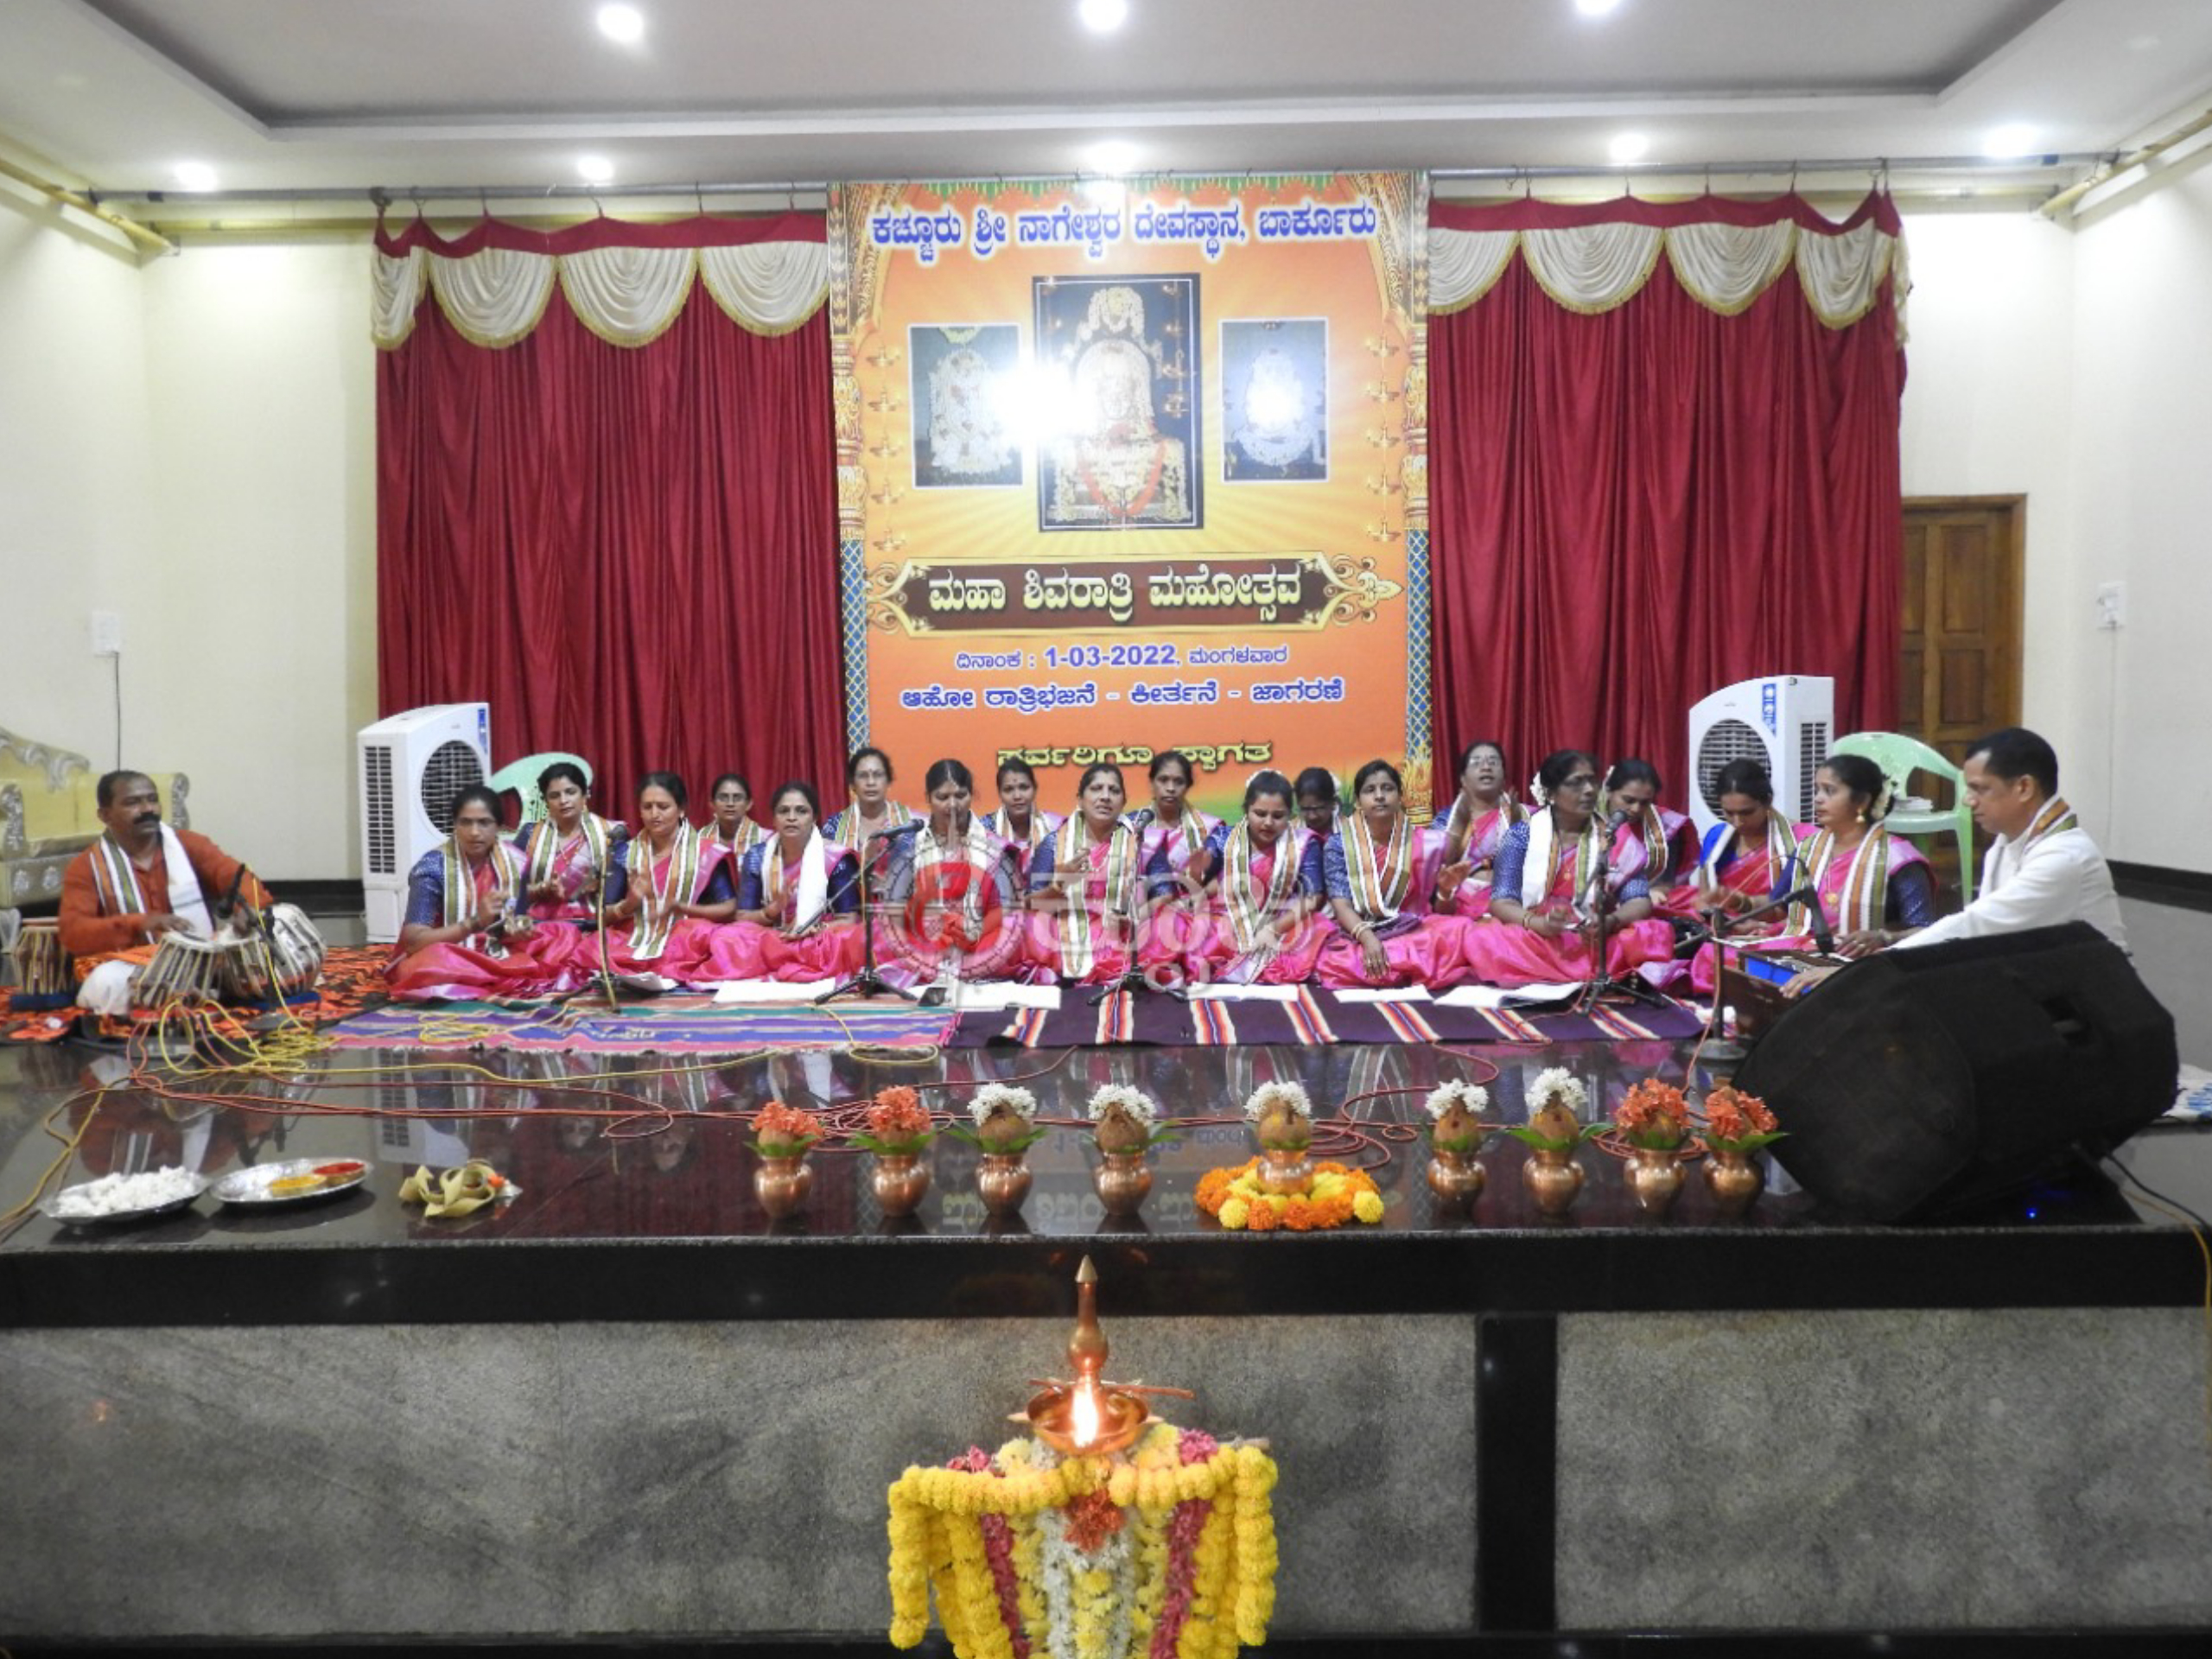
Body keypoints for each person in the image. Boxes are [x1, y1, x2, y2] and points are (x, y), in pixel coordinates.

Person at [60, 769, 276, 1011]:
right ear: (105, 815)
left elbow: (236, 876)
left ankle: (193, 992)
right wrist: (139, 923)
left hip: (204, 954)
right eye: (132, 803)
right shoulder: (87, 866)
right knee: (104, 984)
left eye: (152, 799)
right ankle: (187, 998)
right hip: (136, 964)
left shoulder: (188, 844)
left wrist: (249, 908)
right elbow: (74, 932)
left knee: (273, 937)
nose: (147, 809)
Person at [1896, 727, 2125, 951]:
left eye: (1979, 789)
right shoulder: (2006, 841)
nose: (1968, 800)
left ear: (2024, 788)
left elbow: (1978, 926)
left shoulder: (2065, 857)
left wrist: (1887, 959)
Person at [1462, 748, 1676, 988]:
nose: (1589, 790)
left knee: (1650, 932)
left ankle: (1549, 974)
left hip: (1593, 936)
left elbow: (1639, 900)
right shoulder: (1522, 835)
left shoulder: (1615, 837)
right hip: (1534, 933)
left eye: (1592, 781)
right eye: (1576, 783)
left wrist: (1612, 920)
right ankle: (1559, 973)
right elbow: (1502, 901)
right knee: (1486, 937)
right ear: (1551, 793)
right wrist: (1541, 924)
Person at [1726, 753, 1937, 968]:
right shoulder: (1808, 849)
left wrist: (1885, 937)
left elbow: (1927, 931)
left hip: (1859, 964)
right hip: (1803, 951)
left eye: (1829, 791)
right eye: (1817, 790)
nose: (1818, 799)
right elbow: (1778, 907)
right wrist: (1739, 902)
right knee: (1720, 955)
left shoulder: (1897, 857)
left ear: (1862, 801)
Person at [385, 784, 585, 1001]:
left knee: (565, 934)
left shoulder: (512, 860)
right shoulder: (433, 868)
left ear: (499, 827)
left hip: (495, 944)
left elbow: (515, 911)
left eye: (484, 823)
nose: (474, 832)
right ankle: (509, 974)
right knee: (426, 965)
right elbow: (414, 942)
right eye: (466, 822)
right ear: (455, 825)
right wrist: (474, 923)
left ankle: (493, 975)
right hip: (447, 949)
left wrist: (521, 925)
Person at [1315, 758, 1478, 988]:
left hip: (1415, 930)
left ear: (1400, 796)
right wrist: (1368, 939)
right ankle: (1405, 966)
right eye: (1370, 790)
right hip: (1360, 934)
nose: (1379, 796)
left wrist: (1445, 891)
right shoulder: (1339, 845)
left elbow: (1443, 911)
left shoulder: (1426, 843)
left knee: (1461, 928)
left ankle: (1401, 965)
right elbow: (1342, 906)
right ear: (1358, 801)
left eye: (1387, 788)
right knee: (1336, 960)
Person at [1664, 758, 1811, 995]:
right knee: (1654, 931)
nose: (1738, 822)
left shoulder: (1802, 841)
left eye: (1746, 812)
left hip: (1771, 932)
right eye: (1729, 813)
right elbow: (1705, 898)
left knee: (1725, 956)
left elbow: (1803, 911)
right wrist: (1716, 915)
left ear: (1767, 801)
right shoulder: (1717, 837)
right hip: (1722, 928)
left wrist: (1757, 924)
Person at [879, 759, 1024, 984]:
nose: (953, 804)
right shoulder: (908, 845)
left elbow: (1004, 910)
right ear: (928, 798)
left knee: (1025, 930)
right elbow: (896, 908)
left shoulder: (995, 847)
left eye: (960, 795)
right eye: (943, 797)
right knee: (875, 932)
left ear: (971, 796)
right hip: (925, 939)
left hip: (979, 938)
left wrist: (971, 930)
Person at [1177, 769, 1328, 984]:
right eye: (1260, 814)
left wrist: (1272, 930)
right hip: (1229, 919)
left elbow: (1313, 898)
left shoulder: (1303, 843)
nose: (1268, 822)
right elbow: (1209, 881)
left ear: (1290, 815)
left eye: (1278, 816)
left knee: (1320, 939)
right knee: (1183, 927)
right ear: (1246, 810)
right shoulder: (1225, 838)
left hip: (1283, 921)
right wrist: (1198, 872)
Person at [702, 781, 864, 982]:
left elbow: (849, 920)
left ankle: (788, 965)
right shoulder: (758, 856)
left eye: (801, 811)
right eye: (784, 811)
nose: (791, 817)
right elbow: (743, 918)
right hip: (774, 937)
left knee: (848, 938)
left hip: (817, 940)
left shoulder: (835, 857)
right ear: (774, 819)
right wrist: (772, 910)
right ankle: (786, 964)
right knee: (726, 936)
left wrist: (813, 929)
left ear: (814, 818)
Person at [596, 772, 737, 984]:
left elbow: (729, 909)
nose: (654, 814)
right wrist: (628, 904)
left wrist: (681, 907)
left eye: (663, 807)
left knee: (720, 938)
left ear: (681, 809)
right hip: (634, 938)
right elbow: (602, 917)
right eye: (647, 807)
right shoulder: (625, 853)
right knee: (592, 944)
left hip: (686, 938)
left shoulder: (705, 852)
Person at [1026, 763, 1146, 984]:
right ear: (1080, 800)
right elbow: (1030, 905)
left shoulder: (1141, 842)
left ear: (1124, 802)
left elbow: (1163, 896)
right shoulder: (1054, 843)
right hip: (1064, 936)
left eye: (1114, 790)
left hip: (1121, 936)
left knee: (1172, 921)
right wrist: (1059, 885)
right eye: (1096, 789)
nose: (1105, 797)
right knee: (1019, 922)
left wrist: (1134, 918)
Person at [515, 761, 626, 924]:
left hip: (593, 924)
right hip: (538, 924)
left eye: (570, 792)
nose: (563, 800)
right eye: (554, 796)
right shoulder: (530, 835)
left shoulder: (611, 834)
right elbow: (512, 892)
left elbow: (613, 896)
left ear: (585, 794)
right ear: (545, 801)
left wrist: (595, 885)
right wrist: (542, 889)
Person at [1432, 741, 1524, 917]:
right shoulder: (1445, 821)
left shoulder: (1525, 817)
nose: (1486, 767)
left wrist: (1517, 826)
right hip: (1457, 914)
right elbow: (1436, 886)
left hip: (1512, 910)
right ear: (1463, 779)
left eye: (1493, 762)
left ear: (1504, 777)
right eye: (1476, 763)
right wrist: (1457, 833)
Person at [1603, 758, 1694, 888]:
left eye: (1645, 803)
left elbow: (1664, 885)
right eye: (1629, 800)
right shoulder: (1587, 821)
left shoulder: (1665, 829)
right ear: (1609, 792)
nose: (1636, 809)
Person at [979, 758, 1061, 896]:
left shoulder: (1056, 827)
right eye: (1009, 790)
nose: (1017, 796)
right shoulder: (984, 829)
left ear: (1035, 789)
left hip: (1047, 906)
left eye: (1024, 787)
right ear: (1000, 793)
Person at [701, 772, 766, 868]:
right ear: (712, 804)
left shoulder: (765, 839)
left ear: (749, 804)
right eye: (723, 798)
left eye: (737, 798)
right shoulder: (699, 840)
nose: (730, 804)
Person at [1294, 767, 1342, 842]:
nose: (1312, 816)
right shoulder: (1290, 834)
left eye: (1318, 809)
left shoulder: (1351, 832)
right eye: (1306, 809)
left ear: (1333, 803)